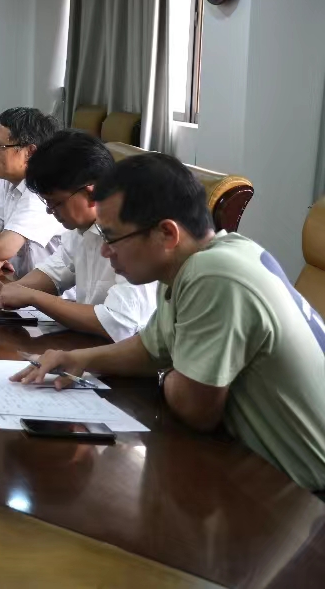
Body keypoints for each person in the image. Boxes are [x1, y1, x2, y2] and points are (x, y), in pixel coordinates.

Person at [17, 154, 325, 493]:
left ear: (166, 233)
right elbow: (151, 348)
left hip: (308, 499)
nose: (106, 252)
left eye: (112, 238)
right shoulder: (205, 259)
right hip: (267, 473)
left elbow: (196, 410)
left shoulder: (214, 275)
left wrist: (167, 373)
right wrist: (79, 359)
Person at [0, 130, 156, 341]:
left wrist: (33, 297)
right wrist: (7, 290)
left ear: (91, 193)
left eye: (56, 203)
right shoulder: (80, 229)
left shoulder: (136, 237)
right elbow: (54, 273)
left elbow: (118, 323)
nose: (50, 211)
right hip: (90, 343)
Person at [0, 107, 64, 275]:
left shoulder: (41, 190)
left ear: (30, 152)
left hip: (48, 289)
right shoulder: (8, 183)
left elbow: (3, 247)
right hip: (18, 282)